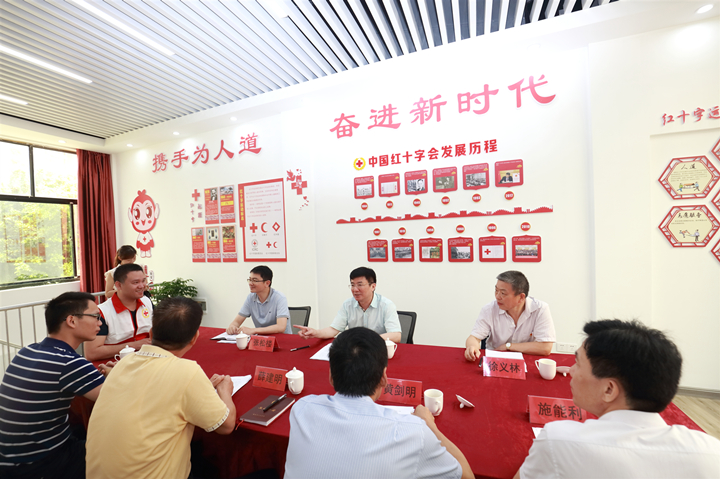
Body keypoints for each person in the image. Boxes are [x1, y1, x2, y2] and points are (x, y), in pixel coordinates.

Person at [515, 319, 720, 479]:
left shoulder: (558, 441)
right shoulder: (711, 453)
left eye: (577, 363)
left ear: (609, 389)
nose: (570, 371)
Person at [285, 327, 473, 479]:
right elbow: (466, 475)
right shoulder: (413, 432)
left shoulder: (302, 408)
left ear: (331, 377)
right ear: (384, 378)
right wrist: (430, 426)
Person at [86, 297, 236, 479]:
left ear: (150, 332)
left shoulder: (124, 363)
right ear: (194, 338)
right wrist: (224, 392)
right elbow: (226, 426)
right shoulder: (187, 371)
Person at [0, 292, 112, 479]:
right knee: (116, 451)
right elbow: (118, 398)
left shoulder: (26, 351)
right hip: (38, 464)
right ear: (72, 320)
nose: (100, 323)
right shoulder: (70, 362)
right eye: (96, 316)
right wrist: (116, 373)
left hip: (8, 457)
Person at [295, 266, 401, 342]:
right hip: (355, 351)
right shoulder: (348, 305)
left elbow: (396, 335)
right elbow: (333, 329)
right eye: (352, 285)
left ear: (373, 286)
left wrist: (368, 340)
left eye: (360, 285)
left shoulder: (386, 305)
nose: (355, 289)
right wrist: (315, 333)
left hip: (377, 349)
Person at [465, 271, 555, 358]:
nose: (497, 296)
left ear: (521, 297)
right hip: (495, 358)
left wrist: (507, 346)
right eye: (496, 290)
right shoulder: (489, 309)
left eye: (503, 293)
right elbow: (474, 338)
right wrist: (472, 347)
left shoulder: (540, 309)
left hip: (527, 359)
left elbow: (545, 347)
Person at [85, 263, 152, 361]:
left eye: (143, 281)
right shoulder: (102, 312)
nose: (142, 286)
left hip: (146, 360)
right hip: (114, 365)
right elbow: (92, 353)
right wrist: (134, 345)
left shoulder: (146, 302)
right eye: (135, 282)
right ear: (118, 285)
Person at [226, 265, 291, 335]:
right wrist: (232, 326)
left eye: (255, 280)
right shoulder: (251, 298)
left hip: (281, 338)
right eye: (250, 280)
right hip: (260, 339)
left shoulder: (279, 298)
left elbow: (281, 327)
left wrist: (253, 330)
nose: (250, 283)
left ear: (267, 283)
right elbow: (236, 322)